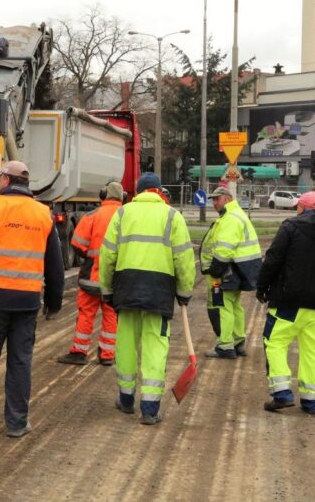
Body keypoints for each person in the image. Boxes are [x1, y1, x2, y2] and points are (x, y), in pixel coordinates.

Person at [0, 160, 64, 437]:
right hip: (28, 300)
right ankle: (17, 423)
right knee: (20, 360)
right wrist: (54, 302)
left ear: (5, 180)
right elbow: (56, 265)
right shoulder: (44, 214)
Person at [99, 172, 195, 425]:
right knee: (155, 346)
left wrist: (106, 289)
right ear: (159, 191)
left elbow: (108, 255)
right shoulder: (173, 216)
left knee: (126, 343)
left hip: (126, 287)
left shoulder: (122, 213)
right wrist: (184, 292)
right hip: (159, 290)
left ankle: (126, 399)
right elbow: (184, 259)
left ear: (138, 191)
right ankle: (150, 409)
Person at [257, 191, 315, 415]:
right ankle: (311, 401)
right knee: (312, 351)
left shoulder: (290, 227)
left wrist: (262, 288)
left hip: (287, 301)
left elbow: (273, 260)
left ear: (301, 208)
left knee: (276, 342)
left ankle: (281, 394)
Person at [58, 181, 124, 366]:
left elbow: (77, 244)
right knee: (111, 314)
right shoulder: (128, 218)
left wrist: (90, 256)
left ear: (103, 195)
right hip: (116, 279)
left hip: (92, 277)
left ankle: (79, 352)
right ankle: (107, 354)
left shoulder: (92, 216)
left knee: (87, 313)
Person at [199, 184, 262, 359]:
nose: (214, 204)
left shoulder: (230, 218)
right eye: (212, 200)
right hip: (239, 268)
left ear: (227, 199)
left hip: (229, 269)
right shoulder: (236, 215)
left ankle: (225, 346)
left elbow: (225, 249)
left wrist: (216, 269)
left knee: (223, 305)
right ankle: (238, 341)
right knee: (235, 305)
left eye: (217, 200)